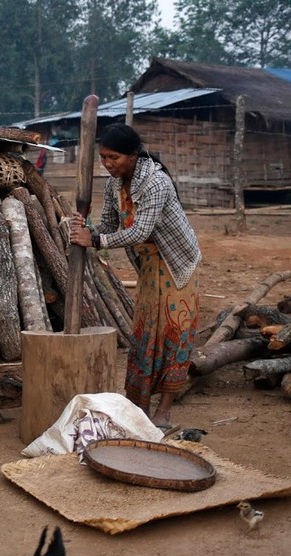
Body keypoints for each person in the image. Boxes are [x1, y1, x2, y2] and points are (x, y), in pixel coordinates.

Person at [68, 123, 201, 429]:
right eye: (103, 157)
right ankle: (138, 405)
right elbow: (109, 225)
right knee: (144, 333)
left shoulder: (156, 183)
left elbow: (141, 230)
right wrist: (86, 228)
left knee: (173, 334)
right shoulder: (114, 184)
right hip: (150, 268)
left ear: (133, 155)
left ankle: (164, 410)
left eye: (113, 157)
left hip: (178, 266)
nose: (107, 163)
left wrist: (96, 241)